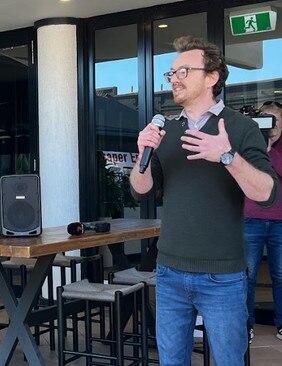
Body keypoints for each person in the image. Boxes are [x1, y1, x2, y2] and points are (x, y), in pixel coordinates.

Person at [130, 36, 278, 366]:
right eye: (171, 73)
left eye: (184, 70)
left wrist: (227, 156)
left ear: (212, 77)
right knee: (172, 361)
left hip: (223, 276)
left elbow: (267, 194)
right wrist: (142, 152)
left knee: (229, 361)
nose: (174, 79)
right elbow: (140, 191)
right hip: (169, 272)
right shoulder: (165, 131)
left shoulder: (240, 128)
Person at [244, 100, 282, 342]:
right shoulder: (250, 145)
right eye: (267, 120)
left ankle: (281, 323)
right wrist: (261, 146)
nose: (272, 126)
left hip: (280, 221)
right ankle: (246, 324)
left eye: (276, 121)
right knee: (248, 276)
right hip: (251, 219)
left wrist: (268, 151)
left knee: (281, 275)